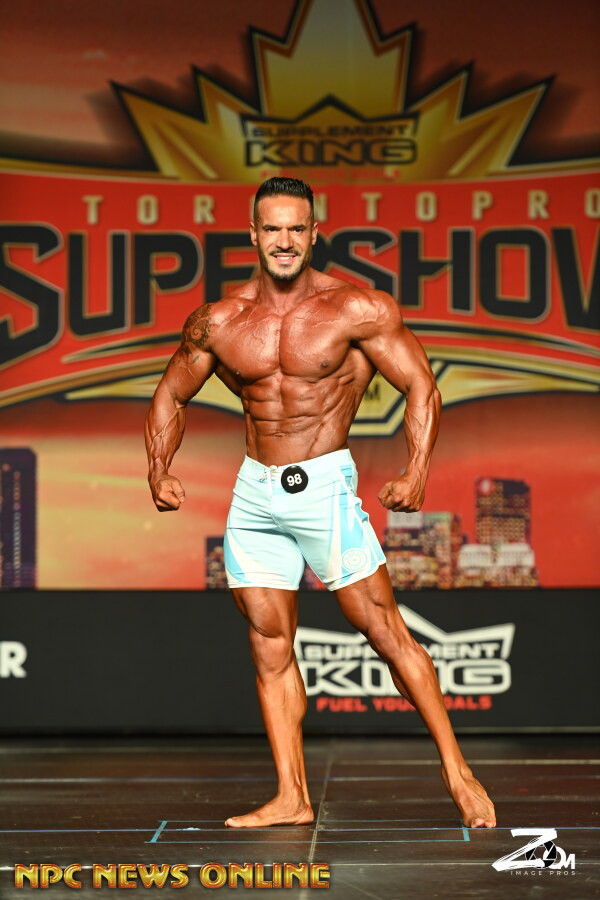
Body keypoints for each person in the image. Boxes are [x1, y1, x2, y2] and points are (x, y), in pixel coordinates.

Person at [145, 176, 496, 830]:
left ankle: (458, 771)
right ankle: (292, 796)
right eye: (271, 229)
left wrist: (416, 470)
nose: (283, 241)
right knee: (268, 643)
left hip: (324, 485)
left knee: (384, 629)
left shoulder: (357, 309)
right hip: (255, 492)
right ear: (253, 234)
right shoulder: (219, 320)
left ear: (313, 233)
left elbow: (421, 384)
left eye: (295, 228)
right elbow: (170, 393)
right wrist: (158, 469)